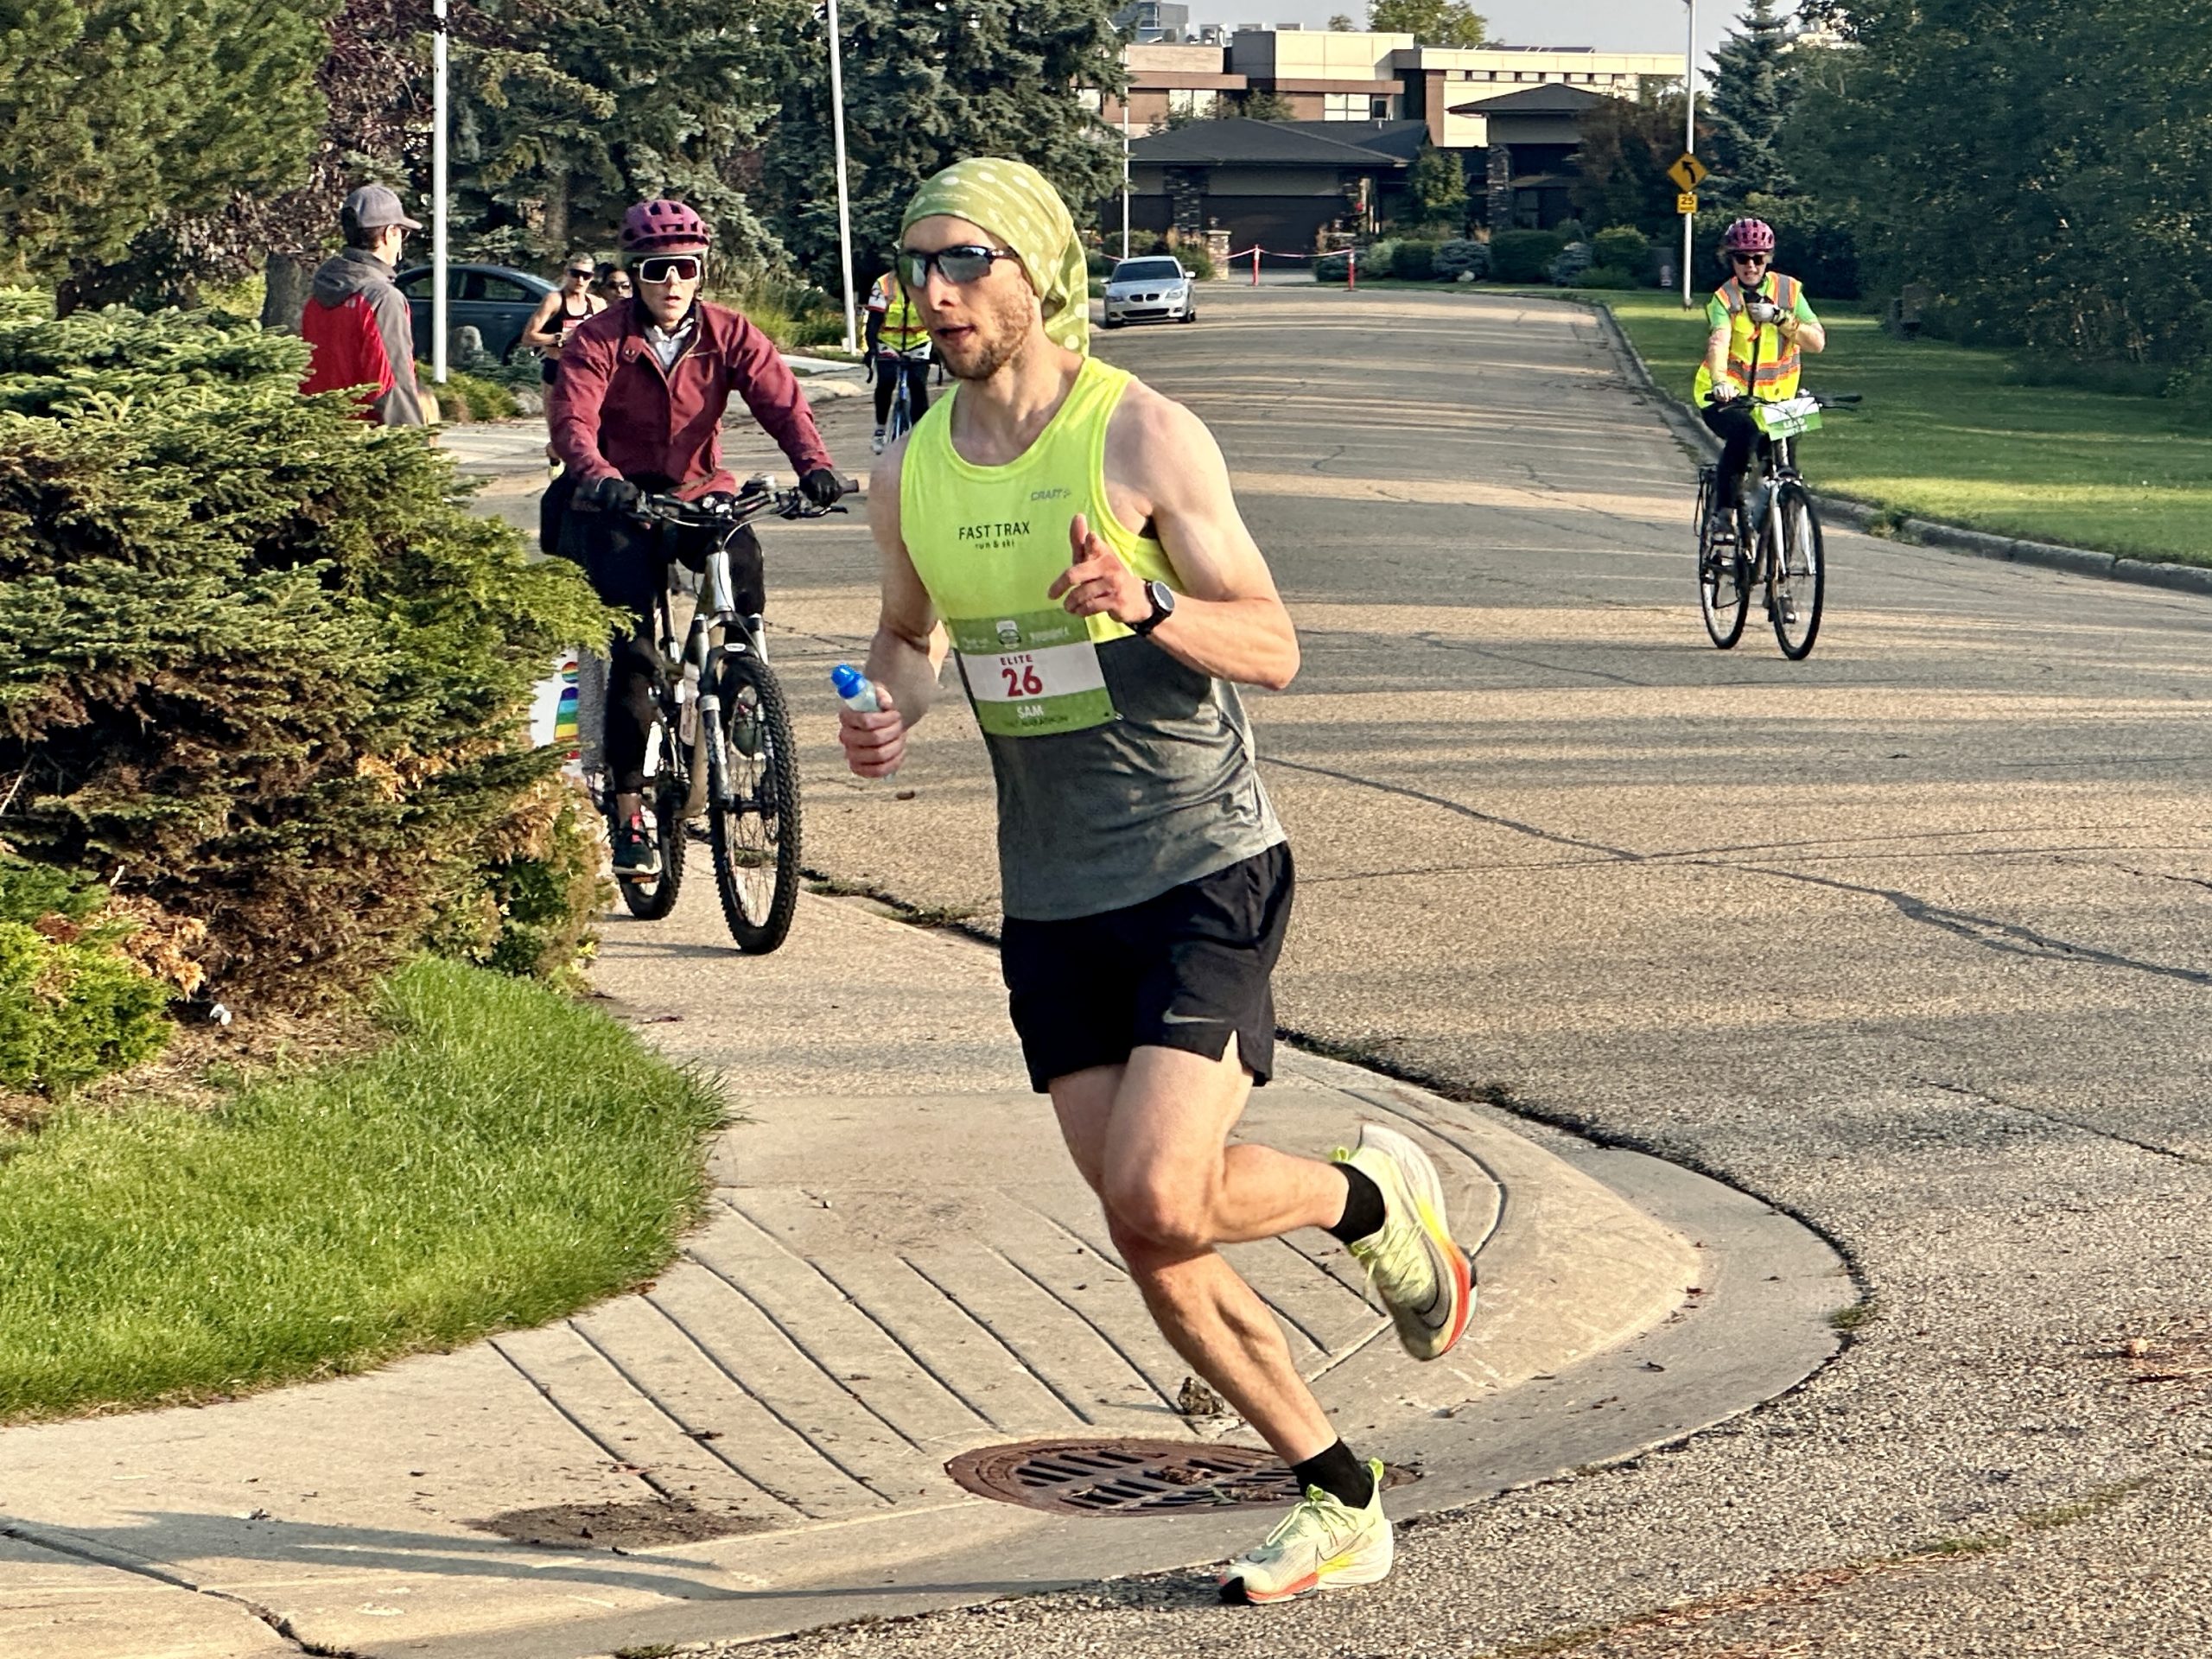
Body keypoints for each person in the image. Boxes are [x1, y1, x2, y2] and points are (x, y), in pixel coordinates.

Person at [836, 158, 1474, 1605]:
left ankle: (1359, 1197)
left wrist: (1148, 603)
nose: (932, 292)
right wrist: (886, 709)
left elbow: (1274, 646)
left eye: (964, 262)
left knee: (1158, 1190)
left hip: (1200, 863)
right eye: (915, 265)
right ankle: (1338, 1489)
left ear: (1041, 275)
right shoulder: (907, 471)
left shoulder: (1146, 442)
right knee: (1152, 1228)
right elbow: (908, 637)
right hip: (1052, 897)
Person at [546, 198, 845, 876]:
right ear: (636, 274)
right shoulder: (597, 339)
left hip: (697, 488)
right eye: (658, 269)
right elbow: (574, 424)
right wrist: (598, 476)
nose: (674, 282)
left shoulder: (727, 332)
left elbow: (782, 400)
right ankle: (629, 814)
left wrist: (816, 466)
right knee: (635, 657)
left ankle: (743, 688)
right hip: (619, 501)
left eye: (686, 267)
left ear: (700, 270)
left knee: (741, 556)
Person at [1694, 217, 1827, 541]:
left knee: (1785, 472)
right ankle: (1724, 514)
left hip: (1779, 402)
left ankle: (1778, 556)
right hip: (1728, 397)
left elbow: (1817, 343)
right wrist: (1719, 381)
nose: (1750, 266)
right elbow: (1719, 341)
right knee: (1744, 434)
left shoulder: (1789, 291)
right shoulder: (1724, 299)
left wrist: (1780, 317)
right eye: (1742, 258)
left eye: (1758, 258)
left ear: (1768, 258)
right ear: (1732, 260)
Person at [299, 184, 425, 426]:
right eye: (402, 233)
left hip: (322, 435)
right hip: (368, 445)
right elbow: (391, 384)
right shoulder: (382, 298)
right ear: (390, 234)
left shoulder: (318, 295)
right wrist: (412, 447)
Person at [864, 264, 932, 454]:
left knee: (918, 384)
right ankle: (880, 430)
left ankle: (921, 433)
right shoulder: (884, 284)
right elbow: (874, 321)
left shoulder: (929, 283)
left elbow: (937, 317)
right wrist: (871, 350)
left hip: (920, 341)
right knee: (886, 381)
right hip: (888, 341)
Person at [520, 255, 606, 386]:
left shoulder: (597, 304)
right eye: (575, 274)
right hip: (558, 367)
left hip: (587, 369)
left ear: (592, 277)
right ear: (567, 273)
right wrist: (561, 337)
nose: (580, 280)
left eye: (586, 276)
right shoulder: (554, 300)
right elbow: (528, 338)